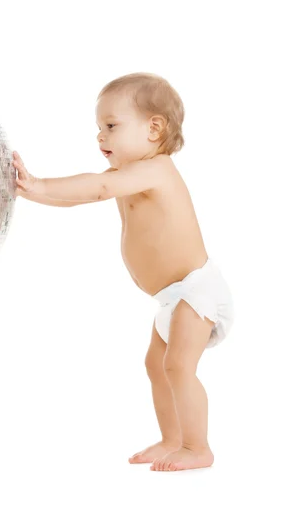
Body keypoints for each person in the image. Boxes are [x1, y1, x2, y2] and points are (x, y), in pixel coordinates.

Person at [12, 72, 234, 472]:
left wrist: (41, 182)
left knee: (178, 367)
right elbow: (81, 197)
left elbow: (94, 188)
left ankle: (198, 448)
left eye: (111, 126)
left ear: (154, 128)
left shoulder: (157, 169)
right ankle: (172, 439)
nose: (100, 137)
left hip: (195, 291)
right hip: (171, 297)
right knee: (156, 366)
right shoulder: (126, 177)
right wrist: (35, 192)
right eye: (98, 128)